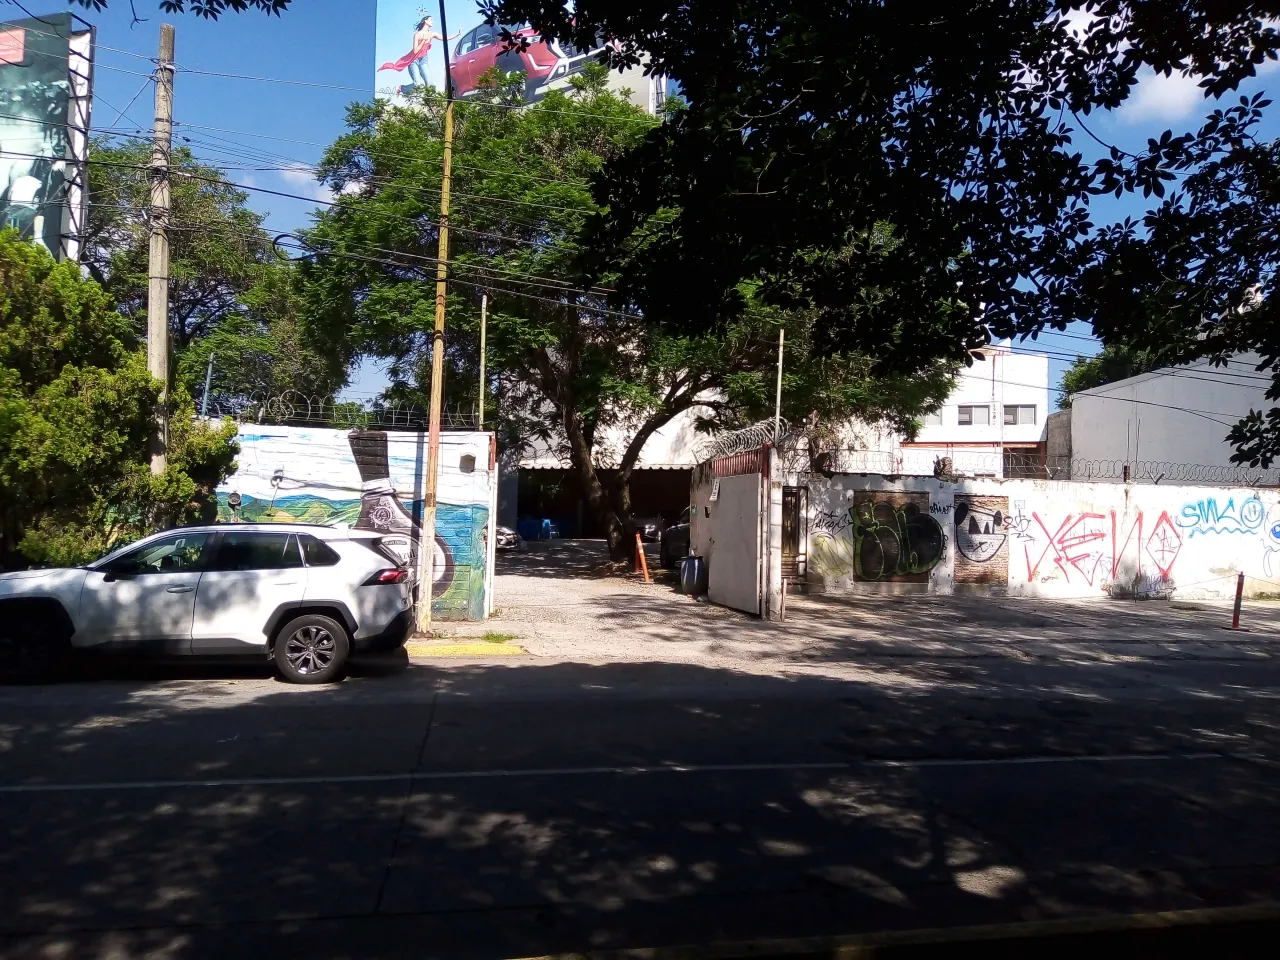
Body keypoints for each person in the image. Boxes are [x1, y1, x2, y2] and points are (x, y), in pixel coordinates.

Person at [377, 15, 458, 88]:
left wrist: (457, 34)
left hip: (423, 60)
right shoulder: (417, 35)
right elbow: (415, 51)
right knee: (417, 84)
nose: (432, 21)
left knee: (430, 84)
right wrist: (423, 41)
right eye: (431, 20)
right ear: (425, 21)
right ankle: (402, 88)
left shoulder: (432, 34)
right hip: (413, 61)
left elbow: (445, 38)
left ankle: (429, 99)